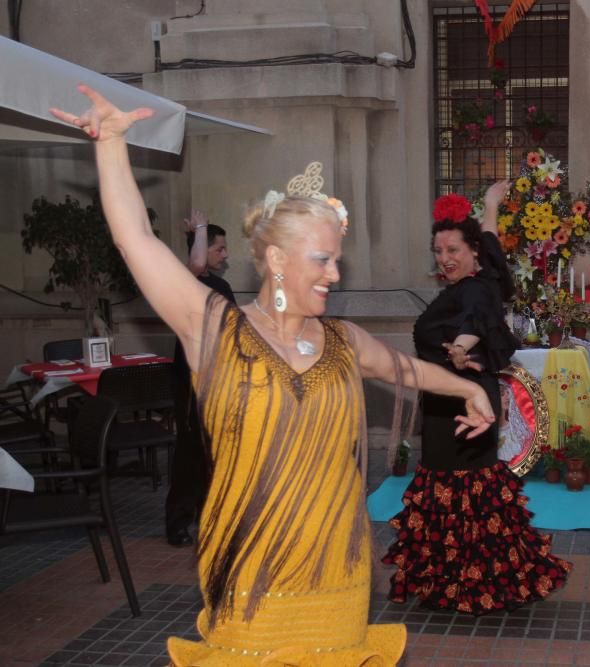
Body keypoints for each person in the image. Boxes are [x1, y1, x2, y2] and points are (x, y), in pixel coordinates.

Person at [52, 87, 498, 665]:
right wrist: (111, 144)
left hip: (337, 569)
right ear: (279, 261)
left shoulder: (341, 340)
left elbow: (405, 369)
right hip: (252, 568)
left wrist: (467, 388)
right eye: (323, 259)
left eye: (337, 259)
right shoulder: (214, 329)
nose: (336, 273)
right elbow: (135, 238)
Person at [381, 181, 572, 615]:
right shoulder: (482, 279)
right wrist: (490, 205)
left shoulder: (476, 290)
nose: (444, 259)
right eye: (438, 251)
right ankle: (454, 581)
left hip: (465, 406)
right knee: (449, 487)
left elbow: (474, 323)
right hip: (446, 403)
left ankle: (475, 584)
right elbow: (489, 240)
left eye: (452, 250)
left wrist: (463, 348)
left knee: (467, 489)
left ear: (471, 255)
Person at [164, 211, 235, 547]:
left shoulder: (221, 286)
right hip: (191, 379)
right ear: (203, 247)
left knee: (218, 451)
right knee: (190, 451)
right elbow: (193, 264)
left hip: (219, 378)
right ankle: (178, 522)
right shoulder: (183, 278)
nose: (225, 254)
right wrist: (201, 229)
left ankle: (213, 516)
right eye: (219, 248)